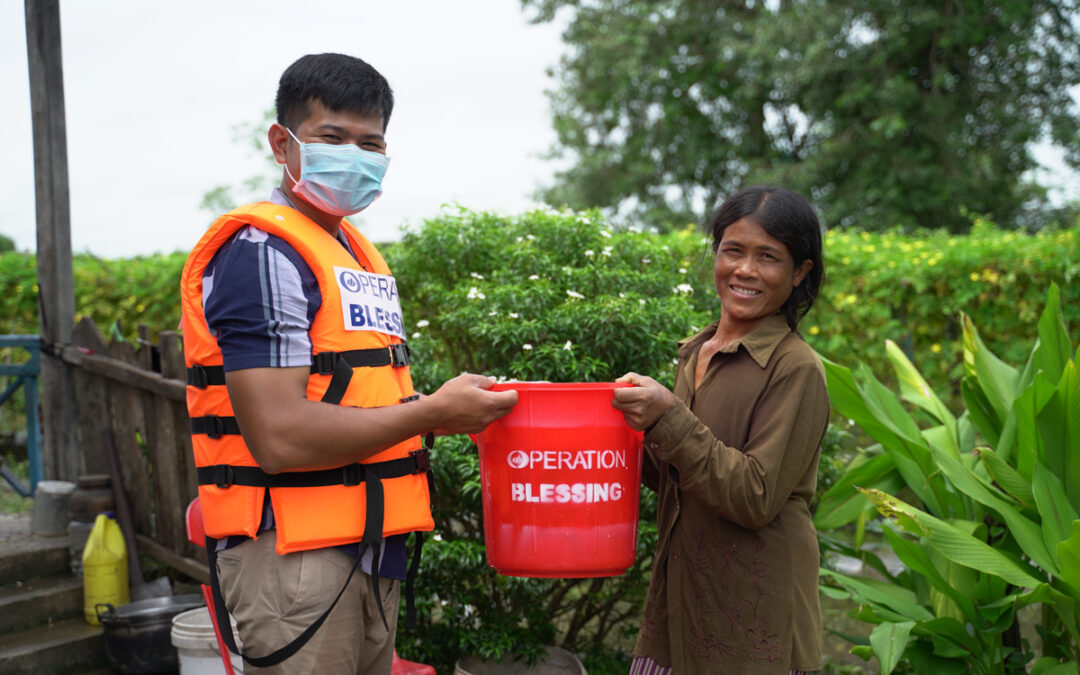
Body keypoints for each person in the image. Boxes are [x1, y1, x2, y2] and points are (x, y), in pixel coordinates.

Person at [180, 53, 517, 674]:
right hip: (293, 556)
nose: (354, 155)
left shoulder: (354, 253)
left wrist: (441, 408)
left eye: (371, 143)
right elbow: (279, 437)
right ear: (283, 143)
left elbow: (357, 397)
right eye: (332, 137)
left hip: (369, 549)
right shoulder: (263, 255)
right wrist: (433, 412)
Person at [612, 186, 828, 675]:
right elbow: (683, 478)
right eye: (733, 250)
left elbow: (754, 496)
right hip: (680, 607)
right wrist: (617, 429)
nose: (745, 270)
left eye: (768, 257)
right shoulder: (698, 350)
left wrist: (668, 417)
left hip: (754, 625)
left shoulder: (796, 368)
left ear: (799, 274)